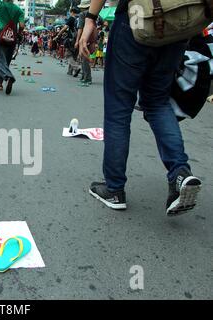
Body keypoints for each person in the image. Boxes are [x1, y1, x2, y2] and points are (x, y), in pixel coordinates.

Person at [80, 0, 203, 215]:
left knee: (118, 108)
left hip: (137, 19)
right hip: (177, 24)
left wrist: (91, 19)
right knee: (157, 102)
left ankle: (114, 189)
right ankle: (180, 172)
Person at [0, 0, 25, 95]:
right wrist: (19, 33)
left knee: (0, 59)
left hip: (1, 36)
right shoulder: (19, 10)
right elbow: (21, 25)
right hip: (13, 37)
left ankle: (8, 77)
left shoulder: (0, 5)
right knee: (6, 60)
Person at [55, 8, 79, 77]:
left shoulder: (71, 18)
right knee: (74, 55)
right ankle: (70, 71)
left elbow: (64, 28)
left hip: (71, 39)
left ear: (71, 12)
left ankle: (76, 68)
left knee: (68, 54)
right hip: (77, 38)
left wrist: (58, 35)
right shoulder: (78, 19)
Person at [75, 0, 92, 86]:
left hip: (84, 38)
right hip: (92, 40)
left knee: (84, 58)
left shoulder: (83, 14)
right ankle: (84, 76)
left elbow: (80, 28)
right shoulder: (95, 13)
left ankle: (87, 78)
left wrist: (77, 40)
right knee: (84, 58)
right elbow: (104, 22)